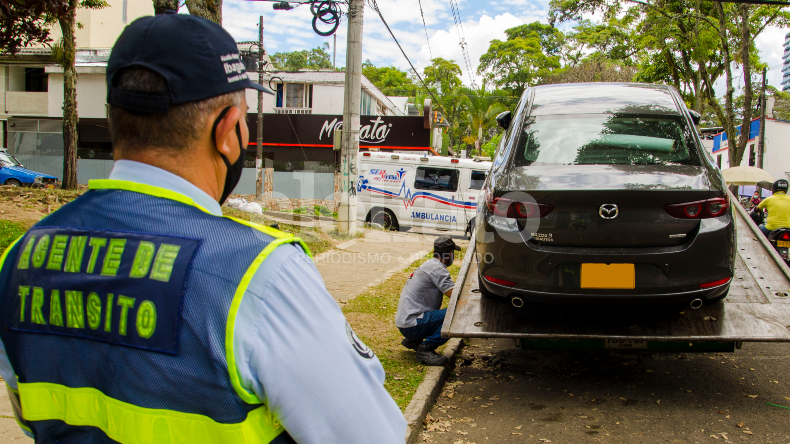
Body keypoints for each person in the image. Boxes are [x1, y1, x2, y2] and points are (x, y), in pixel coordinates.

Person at [0, 13, 406, 444]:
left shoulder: (20, 258)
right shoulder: (261, 275)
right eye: (245, 119)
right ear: (228, 131)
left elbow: (31, 416)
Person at [395, 235, 460, 366]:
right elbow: (455, 297)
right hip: (412, 324)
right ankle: (425, 349)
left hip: (406, 323)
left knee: (446, 313)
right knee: (457, 314)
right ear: (450, 253)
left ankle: (414, 340)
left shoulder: (430, 265)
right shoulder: (437, 269)